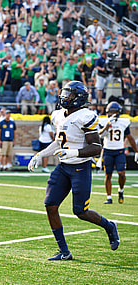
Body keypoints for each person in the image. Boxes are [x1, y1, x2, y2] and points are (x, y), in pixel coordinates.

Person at [28, 81, 120, 261]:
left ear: (78, 98)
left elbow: (96, 147)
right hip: (63, 167)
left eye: (69, 94)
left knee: (80, 211)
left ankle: (110, 226)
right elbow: (59, 141)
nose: (64, 97)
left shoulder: (85, 116)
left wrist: (74, 152)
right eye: (64, 93)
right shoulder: (58, 115)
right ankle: (64, 251)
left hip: (80, 167)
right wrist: (40, 155)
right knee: (50, 205)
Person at [98, 102, 138, 204]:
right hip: (108, 151)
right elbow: (99, 134)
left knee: (122, 173)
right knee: (108, 174)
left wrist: (137, 151)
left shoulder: (123, 122)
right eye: (111, 112)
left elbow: (129, 137)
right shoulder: (104, 121)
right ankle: (109, 197)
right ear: (107, 113)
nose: (113, 114)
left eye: (115, 112)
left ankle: (120, 190)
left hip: (119, 151)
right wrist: (107, 126)